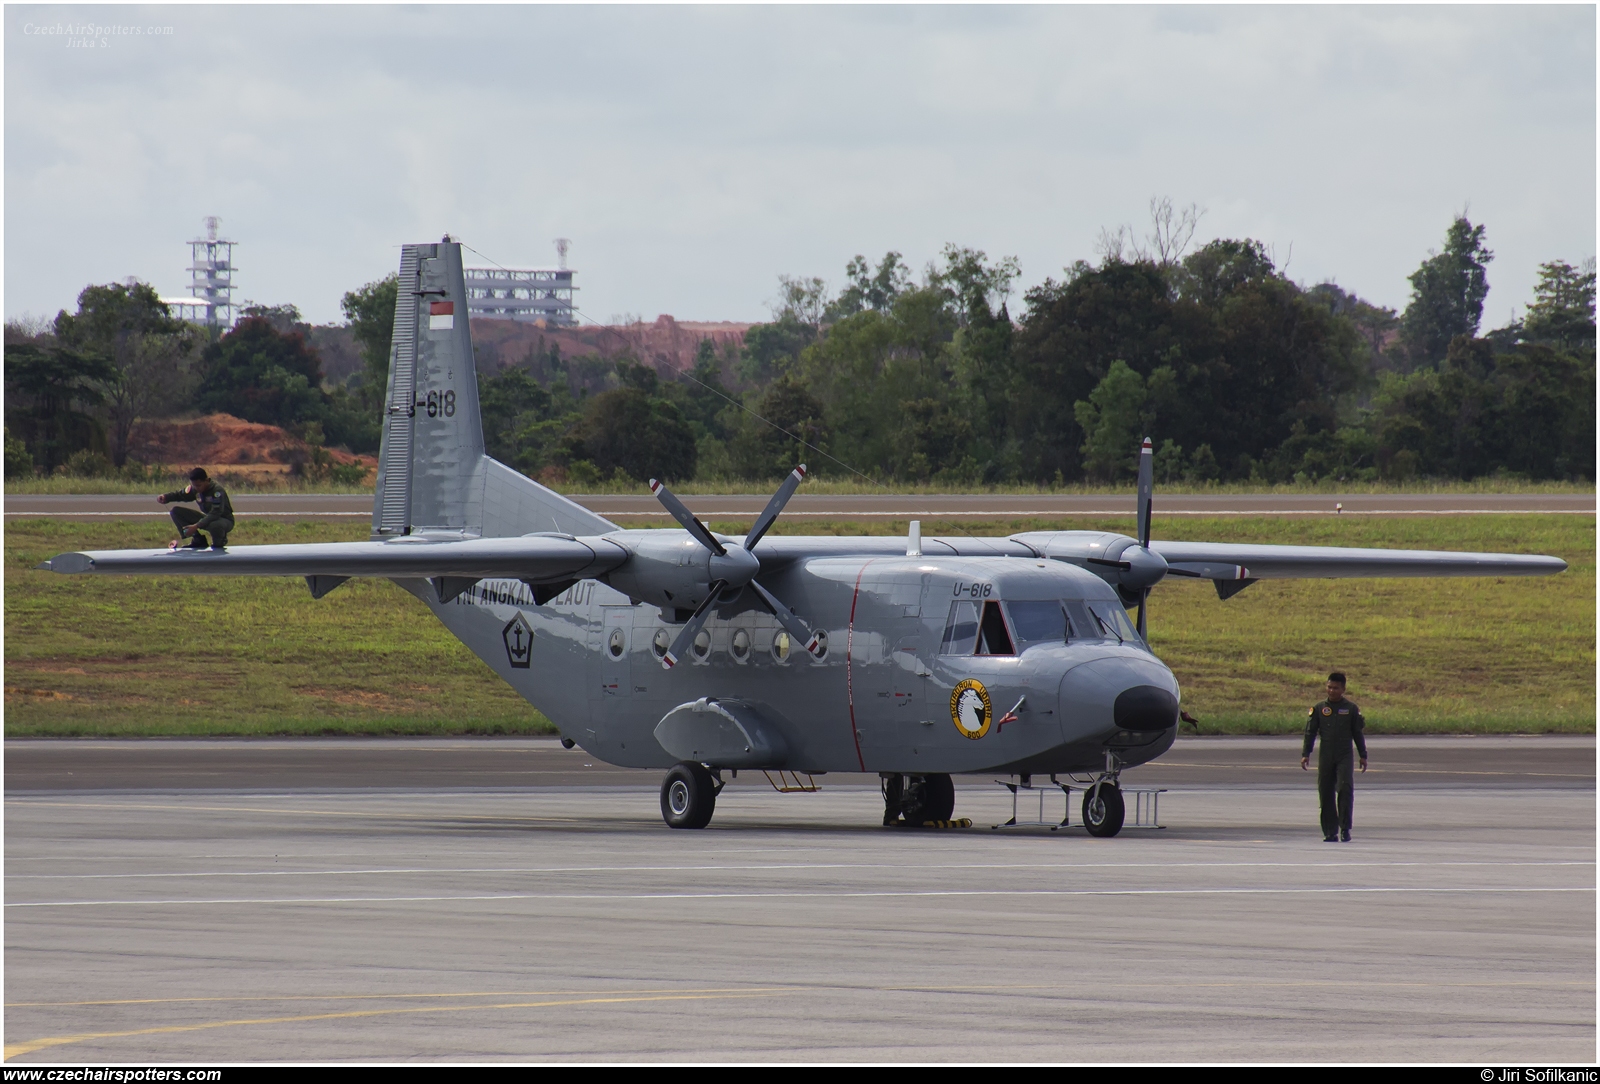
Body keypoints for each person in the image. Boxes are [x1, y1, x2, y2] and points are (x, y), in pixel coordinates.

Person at [1300, 672, 1368, 842]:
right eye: (1329, 687)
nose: (1331, 691)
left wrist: (1363, 755)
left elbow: (1357, 733)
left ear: (1343, 689)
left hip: (1344, 754)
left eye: (1335, 688)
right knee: (1325, 791)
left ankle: (1345, 828)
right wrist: (1305, 754)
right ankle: (1330, 831)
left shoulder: (1351, 709)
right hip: (1326, 755)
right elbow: (1310, 733)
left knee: (1345, 788)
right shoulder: (1318, 708)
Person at [157, 468, 235, 551]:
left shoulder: (217, 491)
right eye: (194, 485)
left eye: (199, 485)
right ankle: (198, 540)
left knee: (215, 525)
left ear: (207, 480)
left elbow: (216, 513)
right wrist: (166, 497)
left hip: (224, 520)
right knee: (176, 512)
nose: (196, 488)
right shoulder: (195, 489)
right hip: (208, 517)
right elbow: (180, 495)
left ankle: (219, 543)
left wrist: (196, 526)